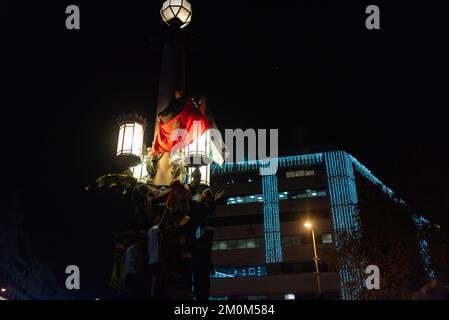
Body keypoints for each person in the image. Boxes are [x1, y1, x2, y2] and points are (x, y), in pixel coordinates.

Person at [192, 227, 215, 300]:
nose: (212, 237)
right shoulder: (205, 243)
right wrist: (211, 267)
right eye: (211, 235)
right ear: (208, 234)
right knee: (203, 288)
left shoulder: (201, 242)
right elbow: (206, 257)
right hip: (201, 269)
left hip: (200, 269)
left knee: (200, 288)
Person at [125, 231, 147, 299]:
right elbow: (134, 264)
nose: (144, 243)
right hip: (132, 276)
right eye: (143, 241)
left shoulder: (141, 251)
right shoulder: (130, 250)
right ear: (138, 241)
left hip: (138, 276)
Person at [147, 224, 161, 298]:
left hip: (154, 261)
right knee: (153, 291)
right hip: (154, 262)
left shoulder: (151, 230)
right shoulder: (155, 229)